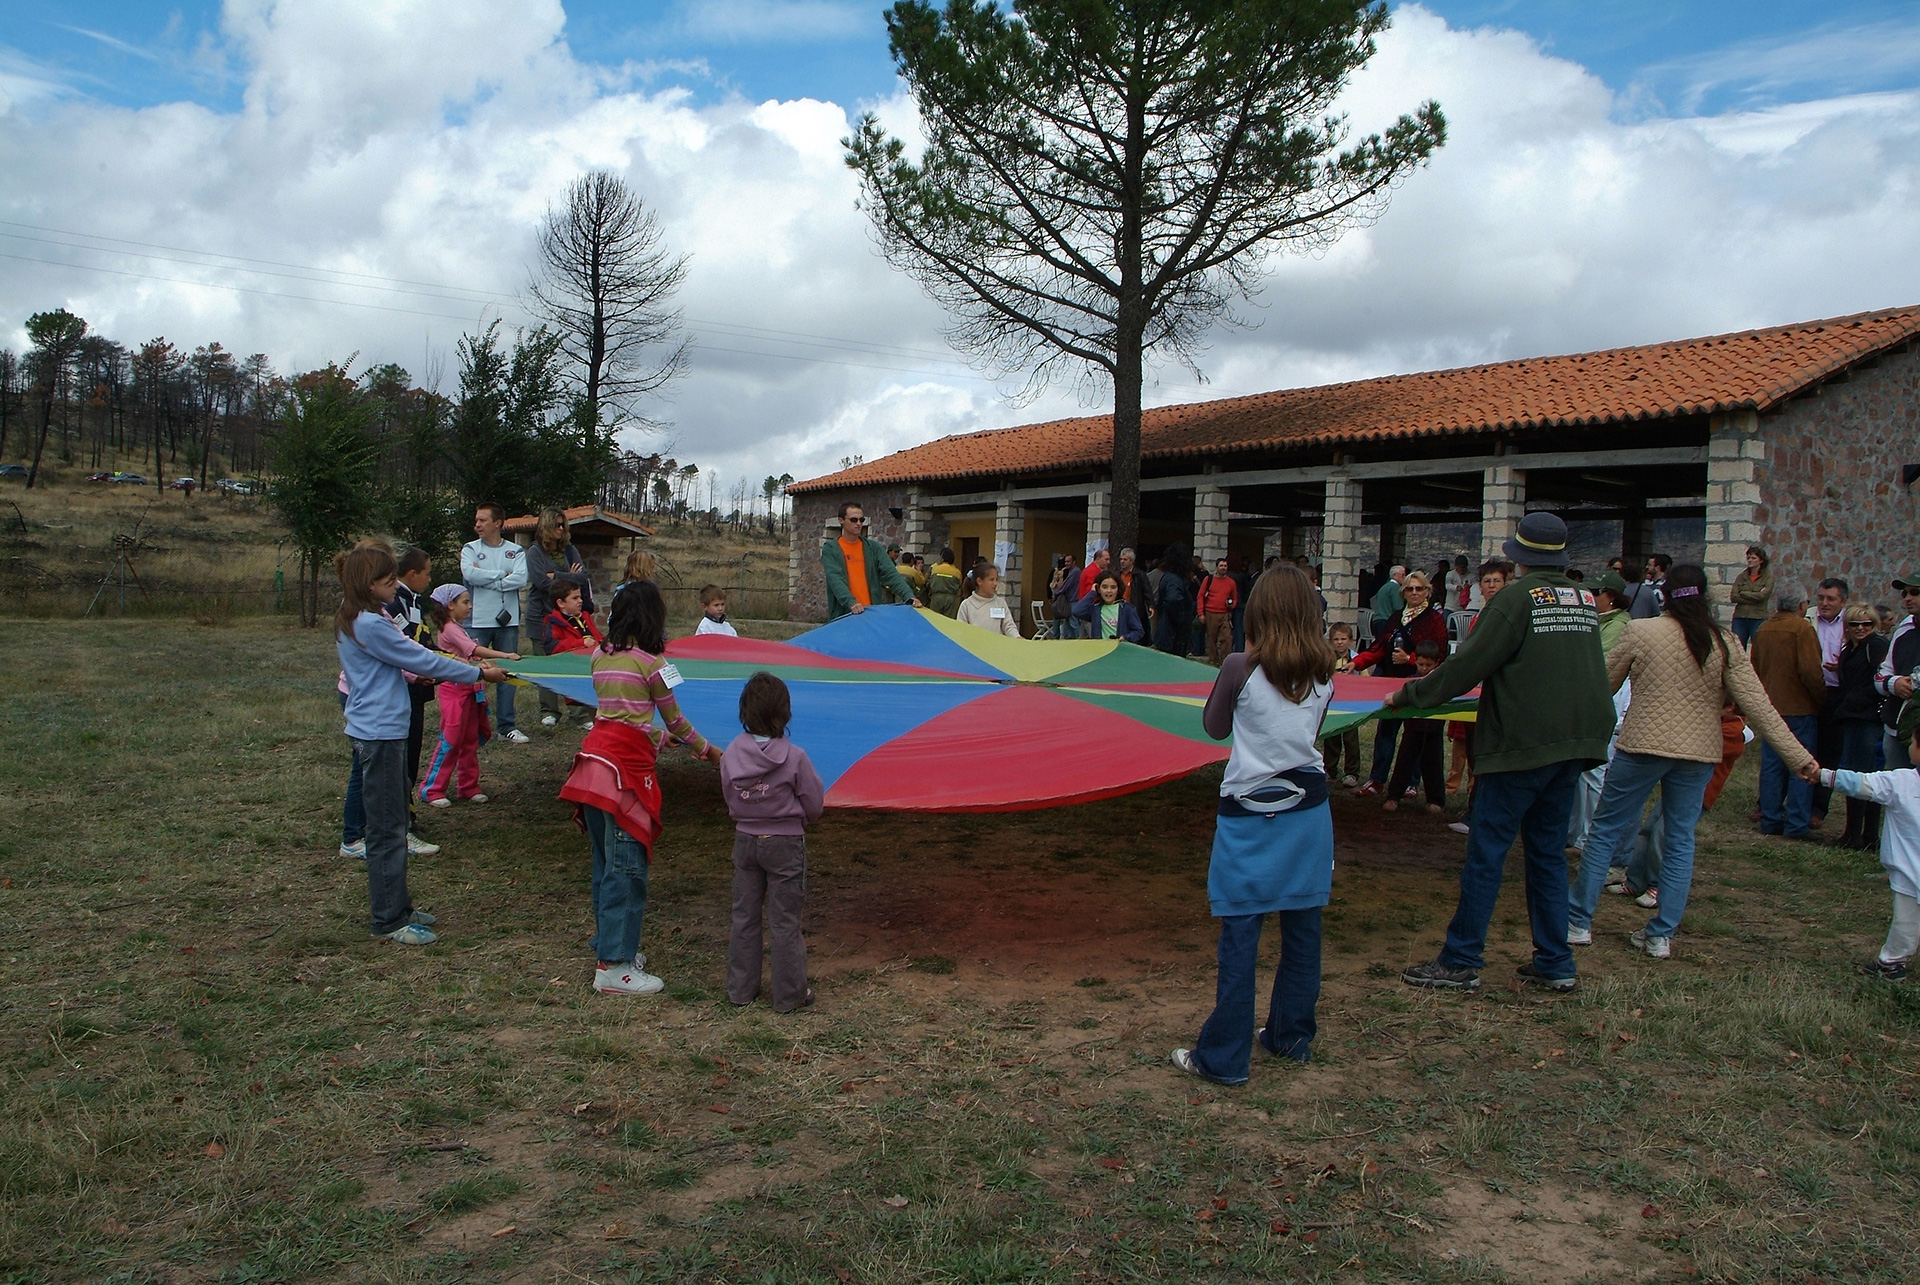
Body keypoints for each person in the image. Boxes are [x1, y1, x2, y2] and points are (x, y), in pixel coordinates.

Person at [1386, 512, 1615, 993]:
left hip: (1520, 744)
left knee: (1487, 852)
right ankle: (1555, 961)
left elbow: (1468, 665)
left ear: (1519, 556)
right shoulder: (1582, 599)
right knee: (1548, 853)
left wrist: (1409, 694)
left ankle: (1461, 958)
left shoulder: (1514, 600)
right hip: (1574, 742)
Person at [1567, 566, 1818, 958]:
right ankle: (1660, 935)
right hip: (1698, 753)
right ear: (1705, 596)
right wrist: (1799, 758)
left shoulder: (1641, 631)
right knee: (1680, 841)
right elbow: (1760, 707)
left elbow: (1601, 687)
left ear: (1664, 595)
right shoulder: (1725, 641)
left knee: (1606, 830)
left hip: (1642, 746)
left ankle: (1578, 922)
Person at [1170, 564, 1336, 1083]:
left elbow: (1215, 728)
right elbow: (1311, 735)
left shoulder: (1240, 666)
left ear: (1257, 611)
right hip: (1309, 809)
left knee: (1242, 931)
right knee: (1304, 926)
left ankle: (1224, 1058)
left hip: (1250, 809)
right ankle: (1290, 1036)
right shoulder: (1327, 671)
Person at [335, 546, 508, 945]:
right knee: (386, 829)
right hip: (379, 734)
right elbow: (420, 658)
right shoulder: (370, 622)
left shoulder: (364, 615)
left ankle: (399, 906)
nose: (395, 586)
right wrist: (477, 672)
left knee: (393, 823)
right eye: (387, 580)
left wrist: (436, 674)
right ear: (368, 584)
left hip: (383, 728)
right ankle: (389, 919)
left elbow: (401, 663)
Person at [559, 581, 722, 995]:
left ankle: (612, 946)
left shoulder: (599, 656)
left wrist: (655, 737)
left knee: (604, 864)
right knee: (628, 870)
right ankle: (613, 966)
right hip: (623, 777)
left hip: (592, 767)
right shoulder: (652, 665)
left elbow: (620, 716)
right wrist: (711, 752)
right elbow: (677, 722)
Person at [721, 672, 825, 1013]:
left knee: (744, 917)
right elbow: (814, 802)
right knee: (785, 921)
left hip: (746, 840)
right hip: (784, 843)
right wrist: (800, 819)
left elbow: (728, 796)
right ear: (785, 713)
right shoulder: (795, 757)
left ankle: (741, 990)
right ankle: (790, 995)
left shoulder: (731, 754)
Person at [1822, 710, 1920, 981]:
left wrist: (1822, 776)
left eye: (1912, 742)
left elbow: (1861, 784)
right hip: (1910, 873)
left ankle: (1892, 964)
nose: (1909, 748)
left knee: (1906, 923)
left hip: (1910, 874)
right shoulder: (1901, 782)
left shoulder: (1900, 781)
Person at [1347, 570, 1449, 799]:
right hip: (1392, 684)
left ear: (1427, 592)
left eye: (1419, 588)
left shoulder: (1435, 620)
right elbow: (1379, 647)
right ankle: (1377, 779)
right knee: (1386, 731)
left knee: (1415, 736)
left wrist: (1410, 659)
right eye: (1410, 589)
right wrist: (1355, 663)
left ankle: (1411, 782)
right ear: (1403, 592)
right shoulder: (1395, 618)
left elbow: (1440, 655)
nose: (1414, 592)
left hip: (1420, 685)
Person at [420, 584, 520, 807]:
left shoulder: (457, 627)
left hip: (471, 691)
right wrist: (505, 654)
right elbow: (473, 650)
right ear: (450, 605)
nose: (470, 606)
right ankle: (433, 788)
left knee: (470, 740)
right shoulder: (450, 628)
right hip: (455, 692)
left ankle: (468, 786)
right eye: (465, 602)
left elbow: (469, 655)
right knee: (451, 740)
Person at [1750, 589, 1827, 838]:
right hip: (1799, 706)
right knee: (1802, 765)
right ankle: (1797, 822)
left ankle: (1770, 818)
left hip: (1772, 707)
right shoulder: (1802, 629)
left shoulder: (1763, 629)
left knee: (1771, 766)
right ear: (1802, 605)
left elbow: (1756, 667)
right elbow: (1810, 671)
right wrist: (1821, 699)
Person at [461, 502, 531, 743]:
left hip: (507, 621)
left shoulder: (516, 550)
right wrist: (502, 575)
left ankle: (506, 726)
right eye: (477, 520)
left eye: (482, 520)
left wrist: (488, 578)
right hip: (476, 621)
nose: (477, 525)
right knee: (472, 671)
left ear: (498, 523)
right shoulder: (470, 548)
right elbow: (470, 574)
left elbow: (521, 578)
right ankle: (468, 724)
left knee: (507, 672)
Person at [527, 508, 595, 730]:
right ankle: (549, 710)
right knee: (545, 665)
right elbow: (541, 583)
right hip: (541, 616)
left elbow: (583, 578)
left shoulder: (570, 550)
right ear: (545, 526)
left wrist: (556, 576)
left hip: (569, 618)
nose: (560, 529)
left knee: (573, 665)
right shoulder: (535, 553)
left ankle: (579, 714)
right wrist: (569, 577)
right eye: (556, 524)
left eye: (562, 525)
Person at [393, 547, 440, 855]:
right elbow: (406, 644)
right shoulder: (396, 600)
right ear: (412, 574)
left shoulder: (412, 599)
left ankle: (406, 812)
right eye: (427, 572)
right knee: (403, 756)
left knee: (412, 755)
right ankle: (399, 821)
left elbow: (422, 640)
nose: (430, 578)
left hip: (417, 685)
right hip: (406, 686)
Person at [1835, 604, 1891, 848]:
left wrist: (1853, 700)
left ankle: (1865, 835)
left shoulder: (1876, 645)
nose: (1860, 629)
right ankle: (1854, 832)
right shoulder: (1851, 648)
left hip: (1868, 718)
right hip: (1854, 717)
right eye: (1855, 624)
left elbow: (1880, 682)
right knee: (1855, 773)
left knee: (1865, 776)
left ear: (1874, 625)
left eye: (1866, 624)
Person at [821, 502, 920, 619]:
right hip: (845, 616)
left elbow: (891, 574)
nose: (858, 523)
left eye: (861, 520)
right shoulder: (830, 549)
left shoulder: (873, 548)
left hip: (871, 614)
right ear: (841, 520)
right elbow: (835, 578)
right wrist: (850, 602)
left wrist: (908, 595)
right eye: (853, 520)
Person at [1382, 639, 1448, 813]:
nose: (1424, 668)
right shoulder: (1410, 682)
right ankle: (1393, 796)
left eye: (1428, 665)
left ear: (1437, 663)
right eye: (1421, 664)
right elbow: (1401, 697)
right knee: (1403, 762)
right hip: (1412, 729)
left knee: (1434, 765)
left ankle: (1436, 800)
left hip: (1434, 730)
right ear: (1415, 661)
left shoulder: (1441, 683)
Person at [1811, 577, 1850, 827]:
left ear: (1843, 601)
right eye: (1821, 598)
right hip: (1810, 690)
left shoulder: (1850, 624)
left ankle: (1818, 808)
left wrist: (1842, 667)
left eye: (1831, 599)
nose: (1824, 604)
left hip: (1836, 692)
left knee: (1829, 752)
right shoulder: (1807, 619)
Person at [1875, 575, 1920, 777]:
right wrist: (1895, 683)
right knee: (1899, 791)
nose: (1907, 598)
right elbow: (1882, 674)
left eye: (1915, 592)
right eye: (1905, 593)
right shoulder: (1904, 629)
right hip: (1896, 729)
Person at [1321, 623, 1363, 788]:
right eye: (1336, 639)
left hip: (1352, 705)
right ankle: (1330, 769)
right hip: (1333, 704)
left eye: (1343, 639)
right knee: (1331, 737)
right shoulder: (1327, 659)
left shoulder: (1356, 658)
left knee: (1351, 739)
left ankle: (1352, 772)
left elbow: (1366, 680)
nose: (1340, 643)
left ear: (1351, 640)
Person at [1074, 570, 1146, 643]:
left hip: (1120, 650)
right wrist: (1092, 593)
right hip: (1101, 649)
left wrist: (1125, 637)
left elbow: (1138, 631)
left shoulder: (1127, 609)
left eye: (1113, 587)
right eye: (1104, 587)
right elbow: (1077, 611)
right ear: (1098, 589)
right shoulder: (1095, 609)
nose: (1109, 591)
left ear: (1118, 590)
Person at [1153, 544, 1198, 656]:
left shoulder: (1170, 577)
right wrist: (1181, 620)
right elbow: (1173, 600)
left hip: (1167, 633)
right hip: (1173, 636)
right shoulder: (1175, 580)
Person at [957, 563, 1021, 637]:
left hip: (996, 647)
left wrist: (1017, 637)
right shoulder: (967, 605)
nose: (995, 583)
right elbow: (961, 631)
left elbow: (1008, 626)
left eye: (996, 579)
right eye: (991, 580)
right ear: (979, 581)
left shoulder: (1000, 603)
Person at [1729, 546, 1774, 648]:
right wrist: (1755, 595)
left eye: (1753, 558)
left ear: (1761, 560)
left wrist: (1744, 593)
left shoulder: (1768, 578)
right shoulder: (1741, 577)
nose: (1750, 560)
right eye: (1748, 558)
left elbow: (1762, 596)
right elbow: (1733, 597)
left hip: (1758, 618)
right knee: (1737, 648)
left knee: (1759, 647)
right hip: (1740, 617)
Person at [1199, 556, 1238, 665]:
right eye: (1221, 565)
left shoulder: (1231, 582)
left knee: (1227, 638)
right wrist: (1201, 613)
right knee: (1212, 638)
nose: (1223, 568)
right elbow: (1200, 596)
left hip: (1224, 613)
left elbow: (1235, 598)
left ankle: (1225, 661)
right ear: (1216, 567)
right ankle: (1213, 660)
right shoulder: (1208, 580)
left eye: (1225, 566)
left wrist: (1232, 605)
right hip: (1210, 612)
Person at [1624, 555, 1671, 621]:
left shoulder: (1667, 585)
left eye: (1649, 565)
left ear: (1657, 568)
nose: (1646, 567)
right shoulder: (1644, 583)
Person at [1050, 552, 1083, 639]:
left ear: (1074, 562)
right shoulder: (1071, 571)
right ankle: (1069, 640)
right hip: (1069, 600)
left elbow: (1066, 585)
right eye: (1065, 562)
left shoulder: (1075, 572)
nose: (1066, 563)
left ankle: (1078, 639)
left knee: (1073, 622)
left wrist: (1056, 593)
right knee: (1067, 623)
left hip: (1073, 600)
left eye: (1068, 561)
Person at [1370, 565, 1407, 640]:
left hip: (1377, 620)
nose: (1405, 577)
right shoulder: (1395, 588)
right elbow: (1398, 607)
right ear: (1394, 575)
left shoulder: (1384, 587)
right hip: (1387, 621)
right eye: (1402, 575)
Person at [925, 546, 964, 617]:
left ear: (942, 558)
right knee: (949, 621)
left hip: (936, 598)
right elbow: (959, 585)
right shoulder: (957, 572)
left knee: (934, 620)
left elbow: (929, 582)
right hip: (951, 599)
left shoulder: (935, 569)